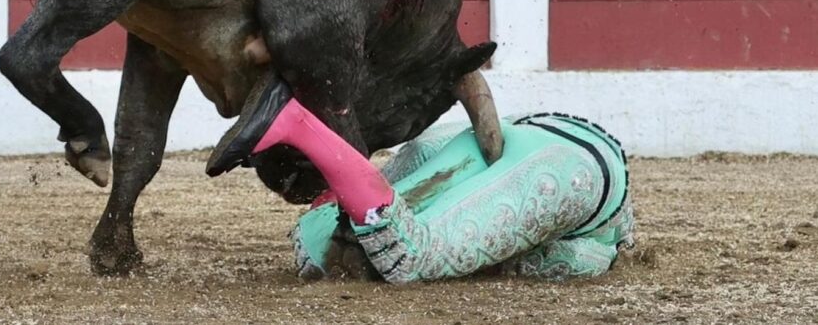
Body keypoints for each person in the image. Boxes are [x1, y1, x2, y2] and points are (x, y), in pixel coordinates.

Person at [223, 86, 634, 283]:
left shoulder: (599, 244)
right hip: (573, 172)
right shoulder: (598, 252)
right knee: (409, 258)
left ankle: (297, 121)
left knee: (313, 243)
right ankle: (295, 122)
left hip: (519, 129)